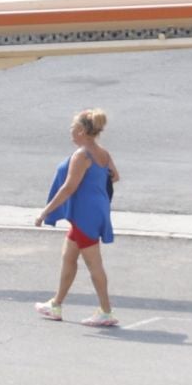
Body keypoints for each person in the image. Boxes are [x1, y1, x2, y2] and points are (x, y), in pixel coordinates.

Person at [34, 108, 120, 327]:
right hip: (95, 211)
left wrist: (45, 212)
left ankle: (106, 311)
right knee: (68, 257)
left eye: (72, 127)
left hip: (84, 215)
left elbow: (68, 187)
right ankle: (55, 304)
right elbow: (115, 176)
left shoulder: (82, 155)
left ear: (81, 130)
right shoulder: (102, 152)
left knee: (94, 263)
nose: (70, 131)